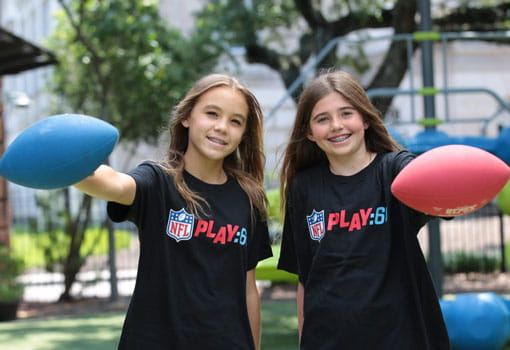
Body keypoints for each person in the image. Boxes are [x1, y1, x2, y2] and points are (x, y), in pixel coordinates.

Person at [75, 73, 273, 350]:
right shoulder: (157, 182)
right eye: (212, 114)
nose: (222, 127)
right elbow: (113, 183)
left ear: (243, 134)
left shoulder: (248, 199)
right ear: (187, 117)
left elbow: (248, 289)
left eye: (235, 121)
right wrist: (64, 158)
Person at [277, 70, 450, 349]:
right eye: (322, 119)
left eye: (346, 114)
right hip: (329, 340)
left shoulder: (394, 171)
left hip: (400, 337)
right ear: (309, 132)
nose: (336, 125)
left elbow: (441, 194)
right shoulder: (304, 188)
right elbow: (306, 279)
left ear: (365, 118)